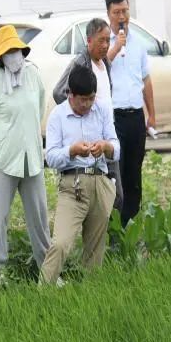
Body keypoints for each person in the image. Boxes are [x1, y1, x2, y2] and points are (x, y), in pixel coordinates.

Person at [0, 25, 50, 282]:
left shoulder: (34, 76)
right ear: (1, 57)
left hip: (32, 158)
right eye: (8, 52)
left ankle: (47, 269)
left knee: (39, 216)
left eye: (16, 50)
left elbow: (40, 107)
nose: (13, 56)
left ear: (22, 51)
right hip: (5, 159)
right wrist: (5, 140)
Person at [40, 65, 119, 284]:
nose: (86, 104)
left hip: (100, 183)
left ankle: (90, 294)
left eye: (91, 99)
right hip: (72, 186)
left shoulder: (102, 110)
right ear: (70, 94)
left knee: (95, 250)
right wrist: (72, 151)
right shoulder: (57, 116)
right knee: (60, 243)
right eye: (82, 100)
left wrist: (105, 146)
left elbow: (116, 147)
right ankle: (43, 291)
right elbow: (51, 157)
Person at [53, 17, 122, 209]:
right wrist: (82, 115)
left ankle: (111, 229)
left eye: (108, 40)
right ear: (89, 40)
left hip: (106, 135)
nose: (105, 45)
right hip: (90, 141)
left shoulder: (105, 62)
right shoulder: (81, 63)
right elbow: (59, 92)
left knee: (116, 195)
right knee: (96, 196)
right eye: (101, 40)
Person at [105, 0, 155, 226]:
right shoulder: (104, 42)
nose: (122, 16)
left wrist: (151, 113)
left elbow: (146, 79)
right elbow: (99, 66)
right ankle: (115, 224)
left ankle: (132, 223)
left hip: (136, 115)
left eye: (125, 11)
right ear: (108, 14)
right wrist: (115, 46)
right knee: (117, 171)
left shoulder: (139, 44)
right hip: (114, 117)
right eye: (117, 12)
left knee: (134, 171)